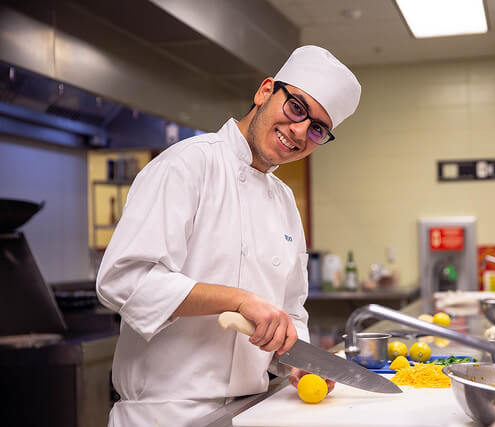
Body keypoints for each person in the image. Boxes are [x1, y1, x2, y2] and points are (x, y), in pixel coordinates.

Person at [96, 45, 361, 426]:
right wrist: (237, 300)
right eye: (297, 108)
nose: (300, 131)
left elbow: (288, 311)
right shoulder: (186, 165)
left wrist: (296, 360)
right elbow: (122, 280)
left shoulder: (285, 202)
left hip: (249, 411)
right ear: (265, 91)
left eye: (318, 129)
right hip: (164, 413)